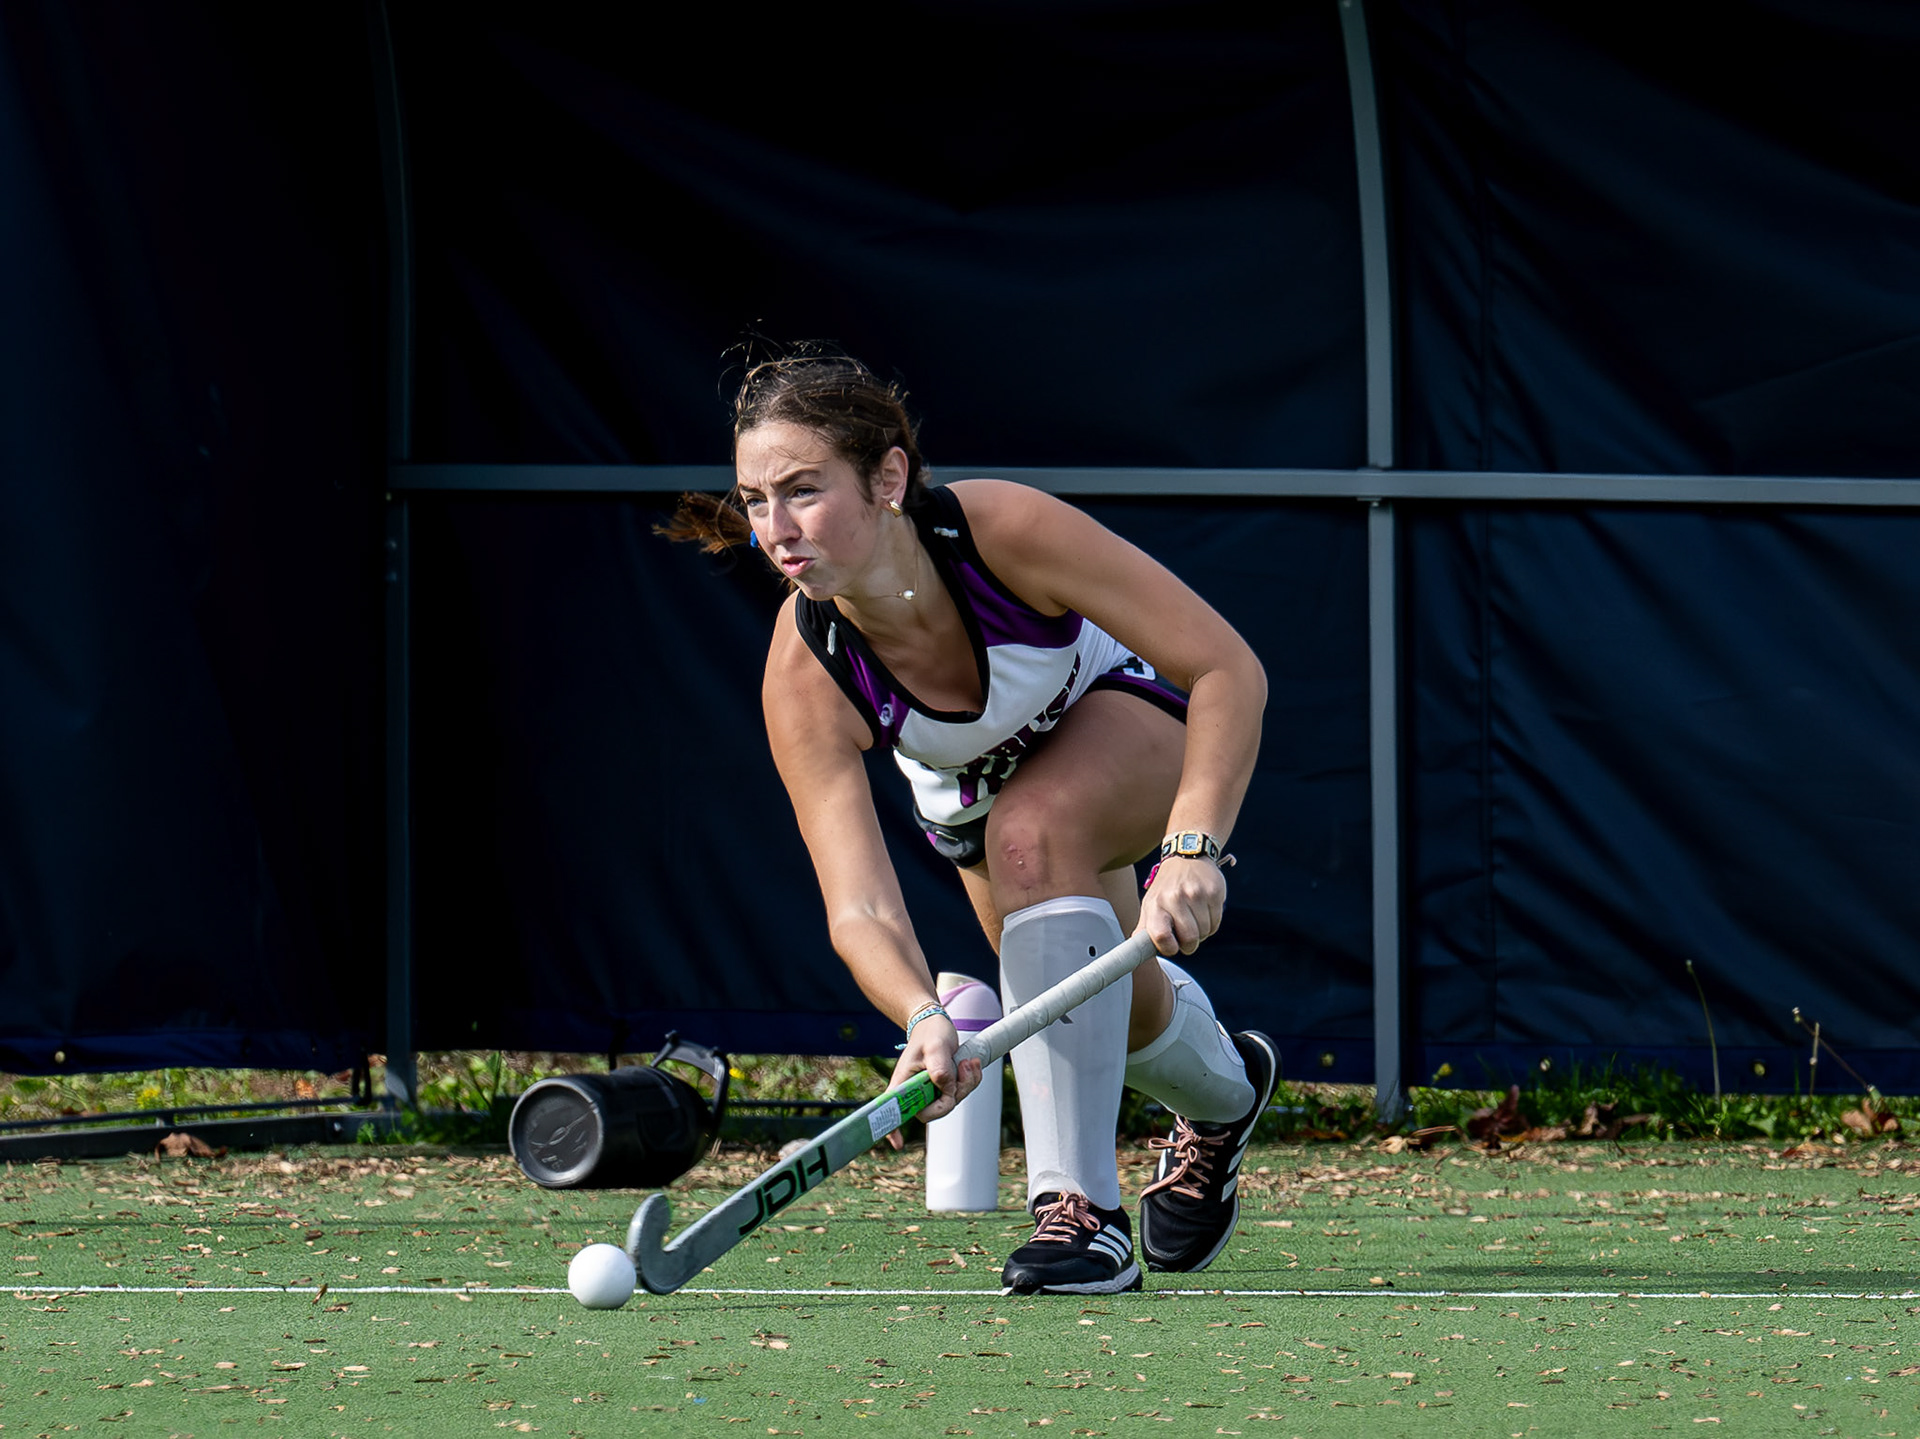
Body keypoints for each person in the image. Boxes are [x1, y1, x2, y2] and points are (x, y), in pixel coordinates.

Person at [666, 353, 1277, 1295]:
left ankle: (1080, 1215)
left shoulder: (1002, 529)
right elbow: (860, 906)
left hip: (1121, 713)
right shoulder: (805, 672)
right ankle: (1230, 1096)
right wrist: (919, 1016)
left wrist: (1194, 846)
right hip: (984, 809)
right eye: (754, 500)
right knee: (1115, 1008)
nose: (777, 531)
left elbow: (1228, 669)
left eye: (802, 491)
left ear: (889, 478)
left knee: (1032, 834)